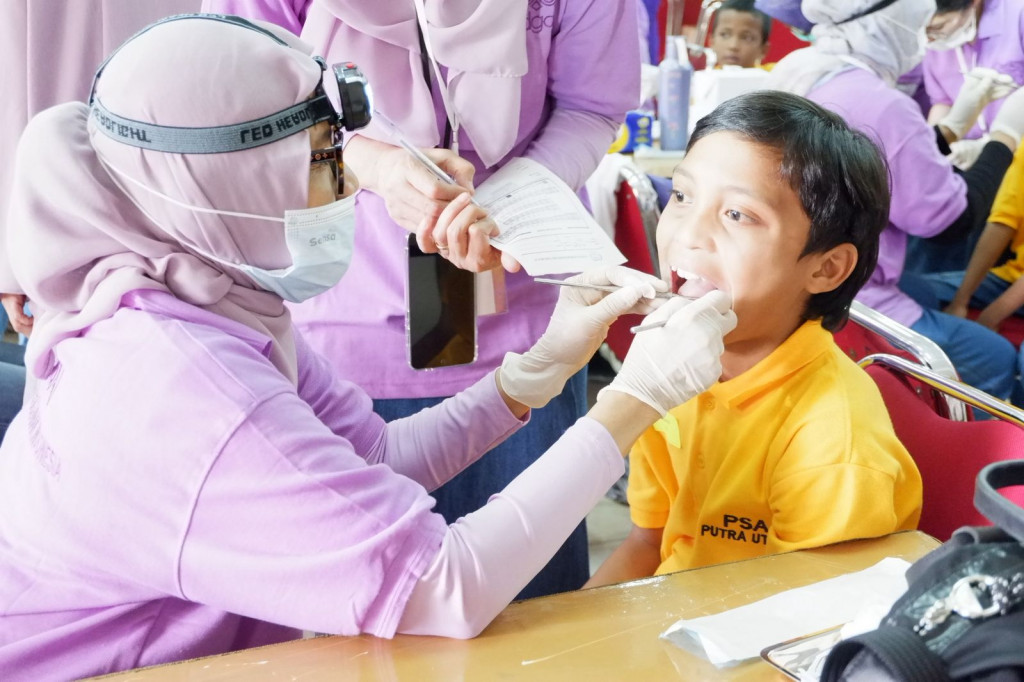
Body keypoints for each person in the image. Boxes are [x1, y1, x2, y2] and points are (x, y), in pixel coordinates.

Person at [0, 15, 737, 680]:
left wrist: (532, 376)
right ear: (228, 177)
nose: (349, 190)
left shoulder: (214, 295)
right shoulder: (179, 383)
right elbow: (442, 586)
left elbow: (373, 458)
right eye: (327, 161)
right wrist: (635, 401)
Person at [202, 0, 641, 598]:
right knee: (371, 609)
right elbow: (240, 102)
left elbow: (591, 106)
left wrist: (505, 205)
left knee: (529, 616)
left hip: (523, 316)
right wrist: (372, 167)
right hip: (338, 319)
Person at [585, 90, 921, 586]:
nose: (689, 234)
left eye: (738, 214)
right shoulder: (666, 364)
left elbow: (802, 633)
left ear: (827, 268)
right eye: (681, 196)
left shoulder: (834, 445)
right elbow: (649, 541)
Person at [768, 0, 1024, 404]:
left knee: (921, 289)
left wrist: (949, 132)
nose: (923, 35)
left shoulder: (804, 70)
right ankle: (964, 456)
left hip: (795, 280)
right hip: (853, 296)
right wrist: (1005, 137)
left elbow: (873, 165)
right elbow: (949, 221)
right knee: (994, 357)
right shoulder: (882, 104)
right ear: (892, 20)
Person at [922, 0, 1024, 168]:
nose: (930, 38)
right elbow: (942, 101)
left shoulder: (1017, 14)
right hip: (975, 163)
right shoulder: (935, 43)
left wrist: (993, 144)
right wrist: (937, 145)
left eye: (939, 27)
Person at [709, 0, 773, 69]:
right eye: (725, 35)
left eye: (746, 38)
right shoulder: (702, 77)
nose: (733, 46)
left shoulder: (775, 75)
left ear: (763, 50)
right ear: (712, 41)